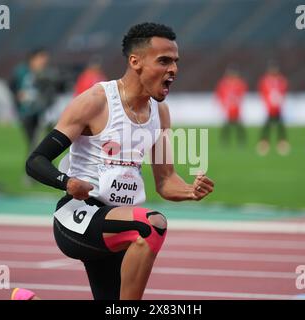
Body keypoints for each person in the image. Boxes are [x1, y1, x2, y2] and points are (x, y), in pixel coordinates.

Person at [19, 22, 214, 300]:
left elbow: (166, 180)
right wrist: (67, 181)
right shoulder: (96, 101)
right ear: (136, 61)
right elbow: (36, 160)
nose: (173, 69)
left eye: (175, 62)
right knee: (150, 225)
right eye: (164, 61)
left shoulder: (161, 113)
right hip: (80, 217)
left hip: (117, 222)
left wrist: (189, 190)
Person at [9, 48, 51, 155]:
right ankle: (36, 166)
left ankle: (37, 166)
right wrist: (17, 96)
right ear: (33, 59)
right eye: (41, 58)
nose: (44, 62)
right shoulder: (22, 71)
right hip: (26, 112)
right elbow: (11, 85)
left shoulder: (45, 73)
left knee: (41, 143)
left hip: (42, 112)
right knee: (34, 142)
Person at [257, 62, 290, 156]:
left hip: (277, 107)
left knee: (280, 126)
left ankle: (282, 142)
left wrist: (280, 99)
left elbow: (284, 90)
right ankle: (264, 142)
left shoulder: (281, 80)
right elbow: (263, 91)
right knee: (267, 126)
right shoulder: (265, 80)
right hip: (270, 107)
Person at [215, 67, 248, 146]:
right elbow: (220, 94)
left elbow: (242, 92)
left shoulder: (238, 83)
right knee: (228, 126)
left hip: (235, 108)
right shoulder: (224, 83)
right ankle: (225, 140)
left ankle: (240, 140)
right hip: (229, 108)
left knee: (238, 126)